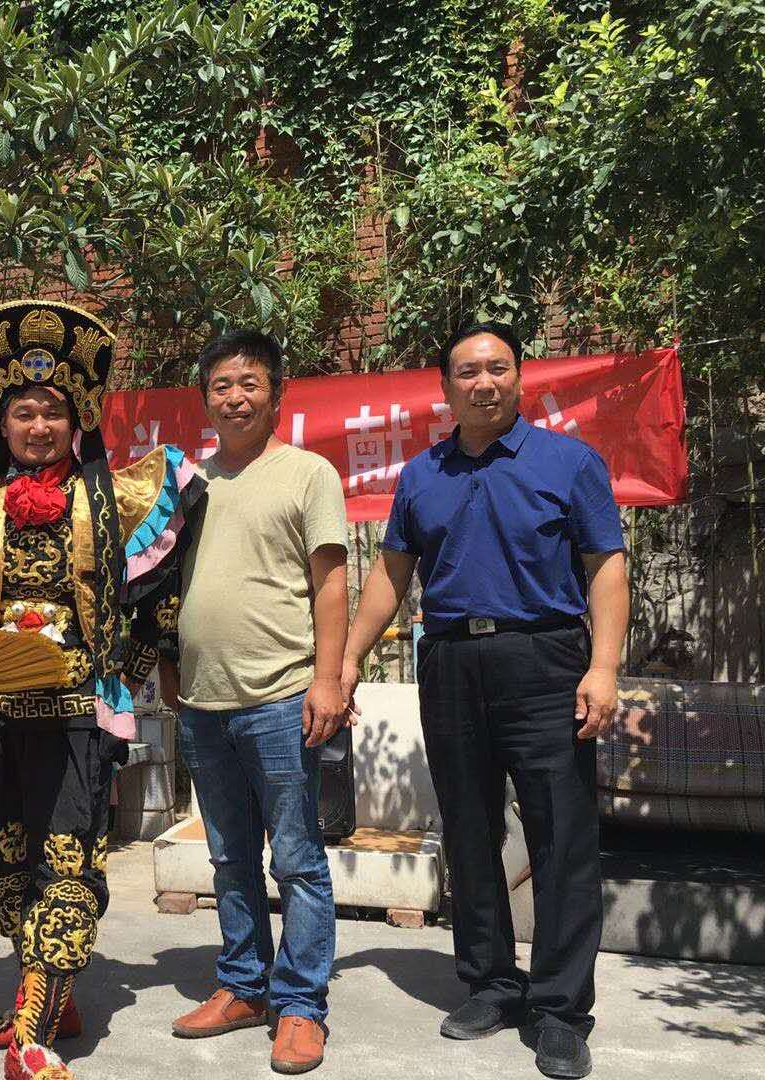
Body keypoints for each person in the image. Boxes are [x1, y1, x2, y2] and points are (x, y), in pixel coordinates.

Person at [0, 300, 202, 1080]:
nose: (38, 426)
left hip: (75, 714)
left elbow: (160, 597)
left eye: (52, 413)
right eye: (24, 413)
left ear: (77, 422)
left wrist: (126, 674)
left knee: (67, 864)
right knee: (8, 864)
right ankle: (52, 995)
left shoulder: (115, 501)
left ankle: (34, 1033)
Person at [340, 321, 628, 1080]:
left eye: (497, 368)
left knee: (561, 836)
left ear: (519, 378)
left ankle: (560, 1009)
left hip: (545, 660)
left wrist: (603, 667)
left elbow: (605, 567)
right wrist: (347, 660)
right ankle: (492, 983)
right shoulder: (422, 475)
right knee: (468, 830)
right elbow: (391, 575)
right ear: (446, 388)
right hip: (450, 662)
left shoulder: (569, 463)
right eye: (467, 372)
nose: (483, 383)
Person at [165, 331, 350, 1076]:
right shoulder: (190, 484)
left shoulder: (308, 474)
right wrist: (167, 667)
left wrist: (329, 680)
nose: (235, 398)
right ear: (204, 398)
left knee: (298, 860)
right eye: (221, 385)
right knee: (229, 856)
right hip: (203, 702)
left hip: (281, 696)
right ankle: (244, 985)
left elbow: (331, 583)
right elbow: (161, 585)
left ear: (277, 393)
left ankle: (300, 1004)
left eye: (249, 383)